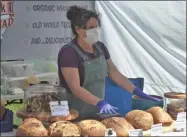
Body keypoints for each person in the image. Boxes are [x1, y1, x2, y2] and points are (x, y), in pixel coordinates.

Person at [57, 6, 161, 119]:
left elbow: (115, 75)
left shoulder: (100, 48)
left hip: (97, 111)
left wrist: (136, 91)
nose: (95, 30)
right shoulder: (69, 53)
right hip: (75, 113)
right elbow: (75, 88)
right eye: (91, 27)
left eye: (96, 27)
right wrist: (99, 102)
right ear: (78, 29)